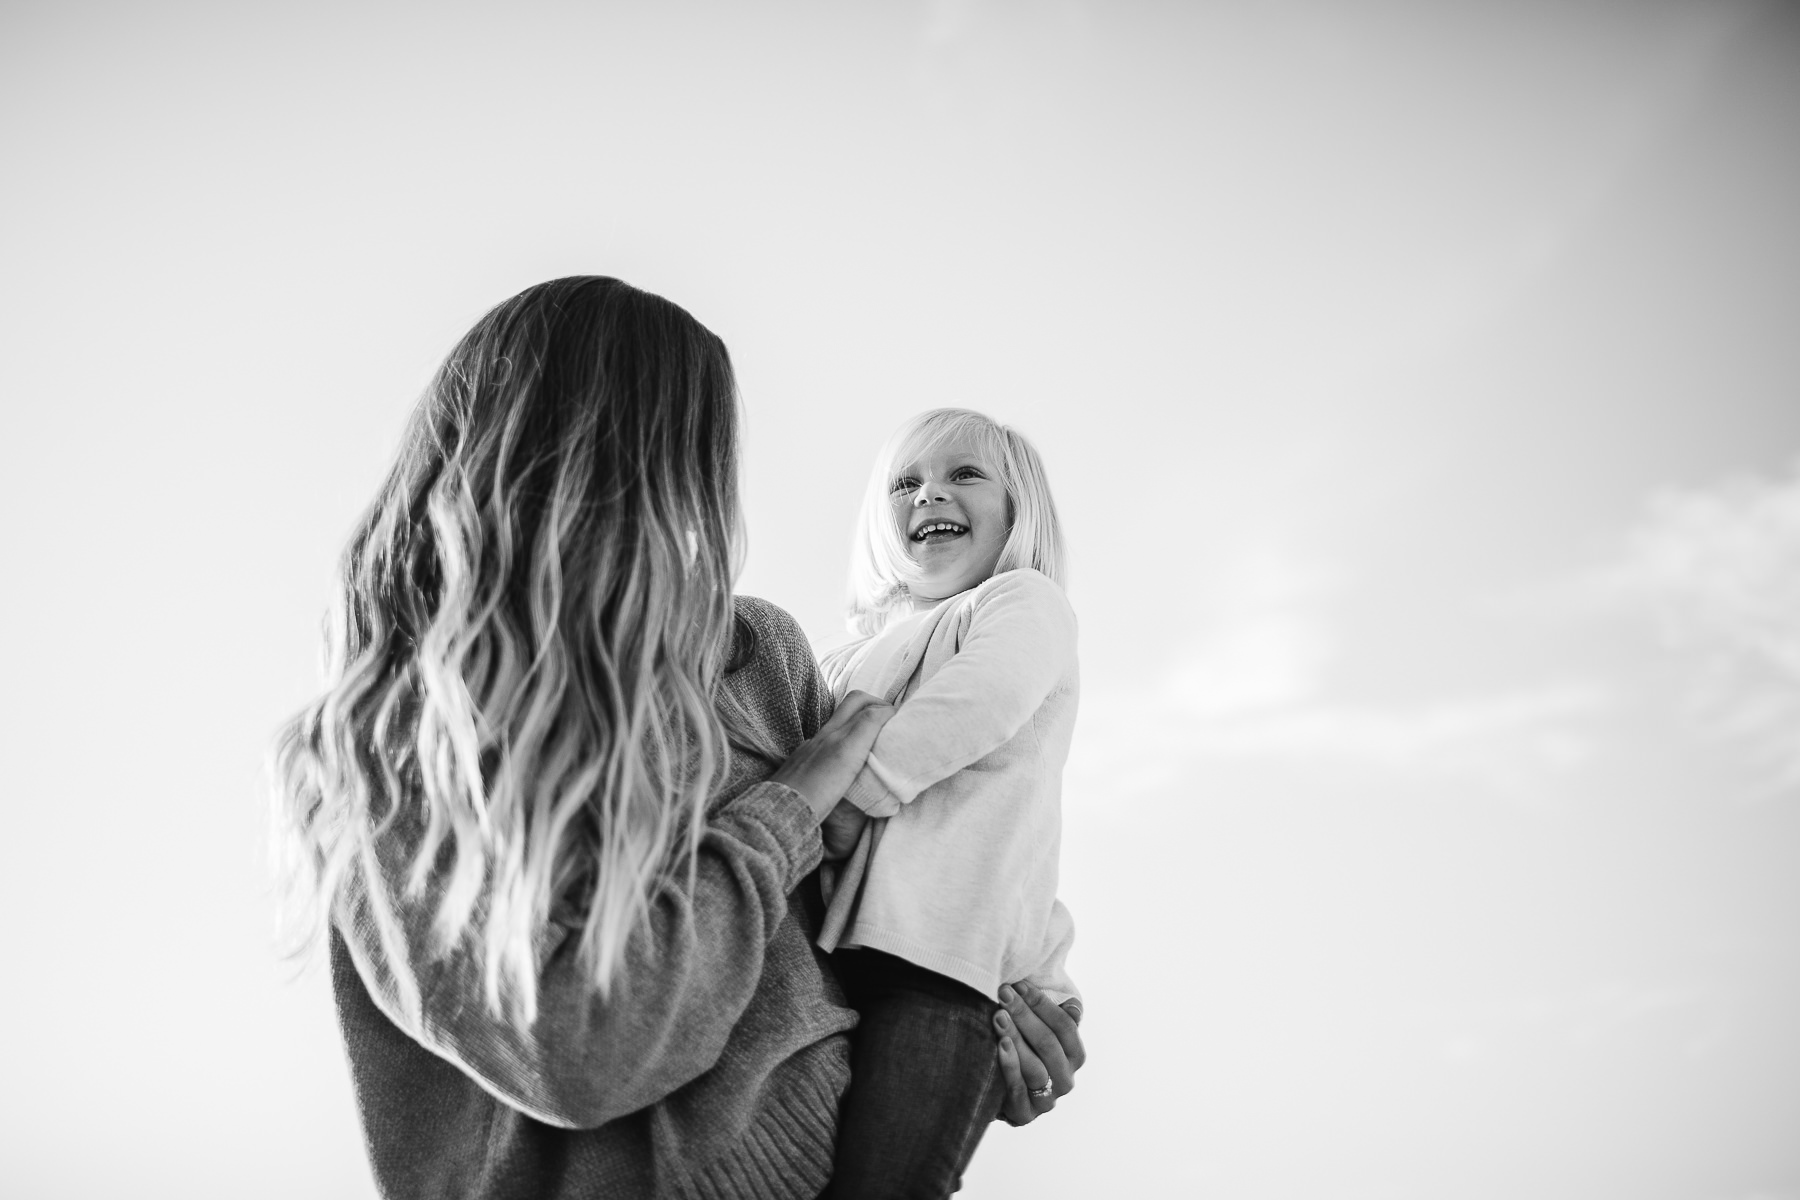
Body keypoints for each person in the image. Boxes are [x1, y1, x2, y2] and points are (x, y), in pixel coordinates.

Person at [270, 277, 1084, 1200]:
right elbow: (580, 1055)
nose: (705, 500)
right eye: (687, 451)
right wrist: (790, 803)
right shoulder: (394, 743)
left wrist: (986, 1028)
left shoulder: (757, 654)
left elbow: (849, 941)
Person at [818, 408, 1083, 1198]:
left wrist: (853, 796)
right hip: (825, 965)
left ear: (1018, 511)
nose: (930, 494)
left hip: (943, 972)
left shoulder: (1020, 602)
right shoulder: (843, 659)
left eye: (964, 474)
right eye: (905, 483)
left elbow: (981, 702)